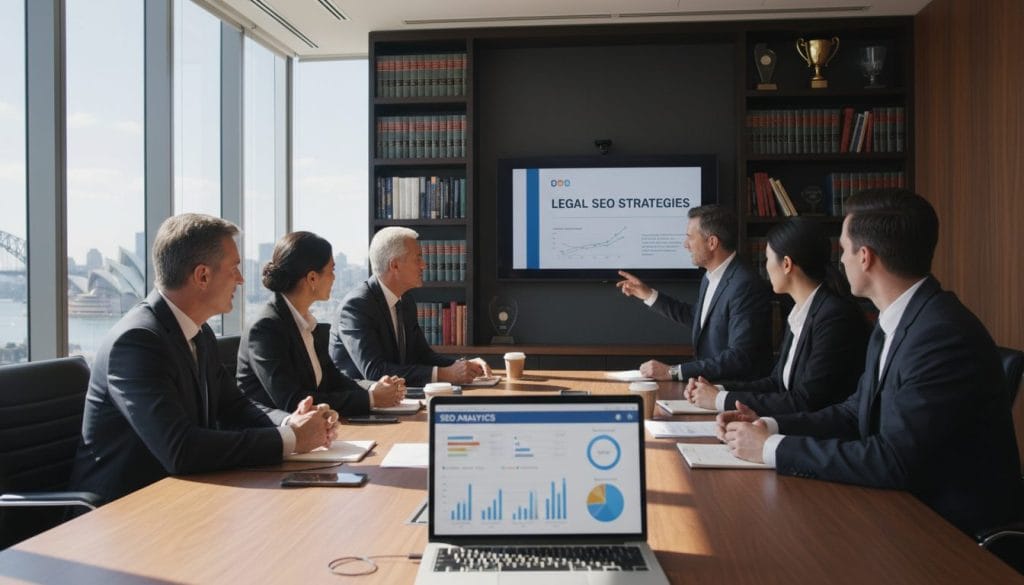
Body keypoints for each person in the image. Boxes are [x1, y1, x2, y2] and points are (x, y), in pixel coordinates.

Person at [719, 189, 1022, 534]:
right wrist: (769, 426)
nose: (841, 261)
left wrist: (772, 449)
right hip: (901, 507)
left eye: (845, 250)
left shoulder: (941, 335)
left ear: (865, 257)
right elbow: (853, 412)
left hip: (949, 533)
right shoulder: (897, 319)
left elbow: (895, 460)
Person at [69, 214, 335, 505]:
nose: (241, 279)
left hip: (182, 497)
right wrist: (291, 439)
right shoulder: (136, 342)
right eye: (234, 268)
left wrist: (293, 421)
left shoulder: (199, 332)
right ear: (202, 276)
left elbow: (235, 406)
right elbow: (180, 449)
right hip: (122, 513)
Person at [685, 218, 869, 415]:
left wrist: (720, 399)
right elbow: (777, 382)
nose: (765, 267)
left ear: (787, 264)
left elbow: (805, 401)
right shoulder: (800, 310)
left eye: (767, 259)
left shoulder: (833, 317)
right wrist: (718, 391)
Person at [237, 231, 406, 416]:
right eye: (332, 270)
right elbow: (292, 401)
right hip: (273, 436)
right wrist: (372, 398)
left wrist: (376, 387)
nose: (334, 277)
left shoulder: (307, 323)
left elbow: (334, 380)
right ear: (312, 278)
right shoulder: (266, 328)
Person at [617, 204, 771, 382]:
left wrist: (673, 372)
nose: (685, 244)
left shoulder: (745, 285)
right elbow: (697, 318)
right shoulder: (711, 276)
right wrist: (648, 294)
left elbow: (740, 357)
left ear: (712, 242)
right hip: (706, 387)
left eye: (690, 237)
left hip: (732, 393)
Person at [329, 227, 490, 386]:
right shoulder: (356, 306)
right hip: (360, 407)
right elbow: (374, 371)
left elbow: (423, 356)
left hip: (396, 401)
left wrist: (463, 366)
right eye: (418, 258)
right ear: (395, 266)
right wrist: (444, 374)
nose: (424, 265)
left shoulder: (405, 301)